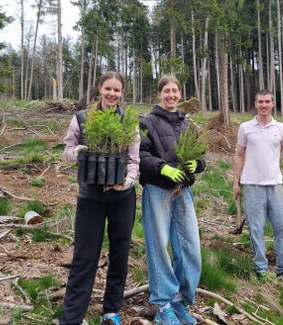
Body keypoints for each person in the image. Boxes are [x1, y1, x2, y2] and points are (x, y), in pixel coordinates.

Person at [60, 71, 140, 325]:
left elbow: (134, 160)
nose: (112, 94)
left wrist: (129, 179)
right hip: (90, 196)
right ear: (99, 88)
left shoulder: (128, 122)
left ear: (122, 92)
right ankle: (72, 317)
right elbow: (67, 150)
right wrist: (77, 153)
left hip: (122, 198)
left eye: (117, 90)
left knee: (119, 253)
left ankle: (111, 311)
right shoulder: (82, 118)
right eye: (108, 89)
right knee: (85, 256)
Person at [139, 76, 206, 325]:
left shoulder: (188, 126)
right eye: (166, 91)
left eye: (175, 91)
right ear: (159, 94)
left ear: (180, 94)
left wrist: (196, 164)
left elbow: (201, 157)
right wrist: (162, 168)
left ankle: (180, 300)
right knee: (159, 247)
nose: (171, 95)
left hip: (183, 191)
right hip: (157, 190)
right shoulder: (147, 122)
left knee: (190, 247)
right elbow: (141, 154)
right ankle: (163, 305)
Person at [233, 89, 283, 283]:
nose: (263, 105)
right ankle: (261, 269)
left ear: (273, 104)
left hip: (275, 184)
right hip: (252, 185)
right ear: (255, 104)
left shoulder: (281, 129)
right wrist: (236, 182)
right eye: (260, 102)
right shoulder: (245, 128)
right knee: (256, 229)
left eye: (267, 102)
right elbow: (239, 155)